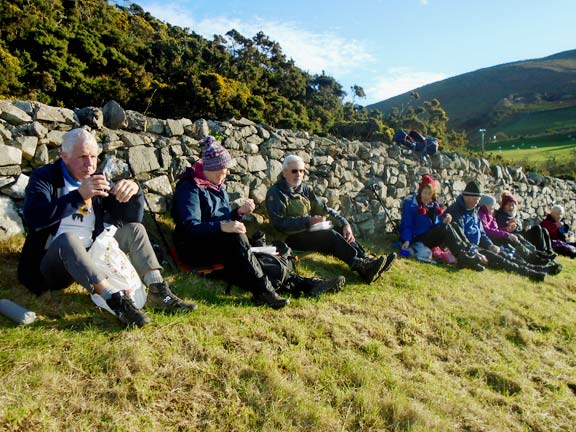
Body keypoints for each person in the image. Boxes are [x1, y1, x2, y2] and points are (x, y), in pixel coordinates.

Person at [18, 128, 197, 327]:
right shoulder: (44, 178)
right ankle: (116, 301)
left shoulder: (97, 179)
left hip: (93, 253)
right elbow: (33, 218)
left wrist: (134, 193)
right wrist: (78, 196)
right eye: (82, 157)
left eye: (94, 156)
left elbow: (127, 219)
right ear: (64, 156)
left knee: (136, 229)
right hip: (54, 262)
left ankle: (158, 292)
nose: (90, 164)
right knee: (69, 239)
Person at [171, 137, 345, 309]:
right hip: (194, 248)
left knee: (256, 257)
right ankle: (265, 292)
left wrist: (238, 213)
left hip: (218, 244)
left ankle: (306, 285)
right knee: (242, 246)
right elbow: (189, 228)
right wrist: (223, 226)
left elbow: (221, 221)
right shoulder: (189, 188)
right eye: (225, 168)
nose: (228, 173)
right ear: (215, 168)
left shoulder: (218, 187)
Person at [266, 154, 396, 284]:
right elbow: (279, 223)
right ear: (284, 173)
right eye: (294, 171)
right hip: (289, 238)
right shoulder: (276, 193)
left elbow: (324, 209)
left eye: (301, 171)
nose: (298, 174)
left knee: (338, 229)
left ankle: (366, 260)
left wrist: (344, 223)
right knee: (328, 234)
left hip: (306, 231)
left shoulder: (304, 189)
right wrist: (307, 221)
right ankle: (360, 266)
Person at [446, 180, 556, 281]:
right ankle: (531, 273)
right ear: (467, 197)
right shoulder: (456, 211)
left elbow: (481, 232)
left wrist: (490, 245)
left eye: (477, 200)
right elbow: (460, 236)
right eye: (475, 200)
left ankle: (536, 267)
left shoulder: (473, 211)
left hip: (479, 245)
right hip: (468, 247)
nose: (476, 203)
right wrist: (475, 251)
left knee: (504, 254)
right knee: (501, 260)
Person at [399, 174, 485, 270]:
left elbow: (437, 222)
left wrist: (446, 218)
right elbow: (406, 225)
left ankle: (469, 253)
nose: (426, 196)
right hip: (417, 238)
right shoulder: (412, 205)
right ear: (420, 192)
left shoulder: (433, 205)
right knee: (445, 228)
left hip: (429, 235)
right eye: (425, 192)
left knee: (453, 225)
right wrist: (407, 240)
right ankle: (463, 257)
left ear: (433, 195)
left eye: (429, 194)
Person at [478, 195, 558, 266]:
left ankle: (541, 254)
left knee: (541, 230)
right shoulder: (491, 215)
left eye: (513, 205)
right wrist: (507, 231)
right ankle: (535, 256)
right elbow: (488, 230)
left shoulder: (491, 215)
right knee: (532, 231)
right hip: (496, 238)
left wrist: (510, 228)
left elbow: (497, 229)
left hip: (508, 235)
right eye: (509, 205)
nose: (493, 207)